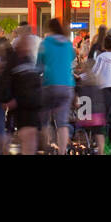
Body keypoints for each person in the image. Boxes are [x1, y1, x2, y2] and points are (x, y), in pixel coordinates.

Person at [37, 18, 75, 154]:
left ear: (49, 29)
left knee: (44, 119)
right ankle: (62, 152)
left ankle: (47, 146)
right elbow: (71, 60)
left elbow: (38, 66)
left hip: (49, 84)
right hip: (67, 86)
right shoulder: (68, 44)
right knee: (63, 122)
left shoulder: (45, 43)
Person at [90, 29, 111, 153]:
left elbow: (94, 72)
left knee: (102, 119)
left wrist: (81, 77)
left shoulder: (102, 57)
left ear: (104, 45)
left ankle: (102, 148)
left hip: (107, 91)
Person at [8, 36, 42, 155]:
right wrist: (8, 98)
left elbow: (36, 80)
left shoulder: (30, 59)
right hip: (21, 104)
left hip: (32, 102)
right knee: (26, 134)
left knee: (30, 134)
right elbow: (7, 80)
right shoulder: (14, 60)